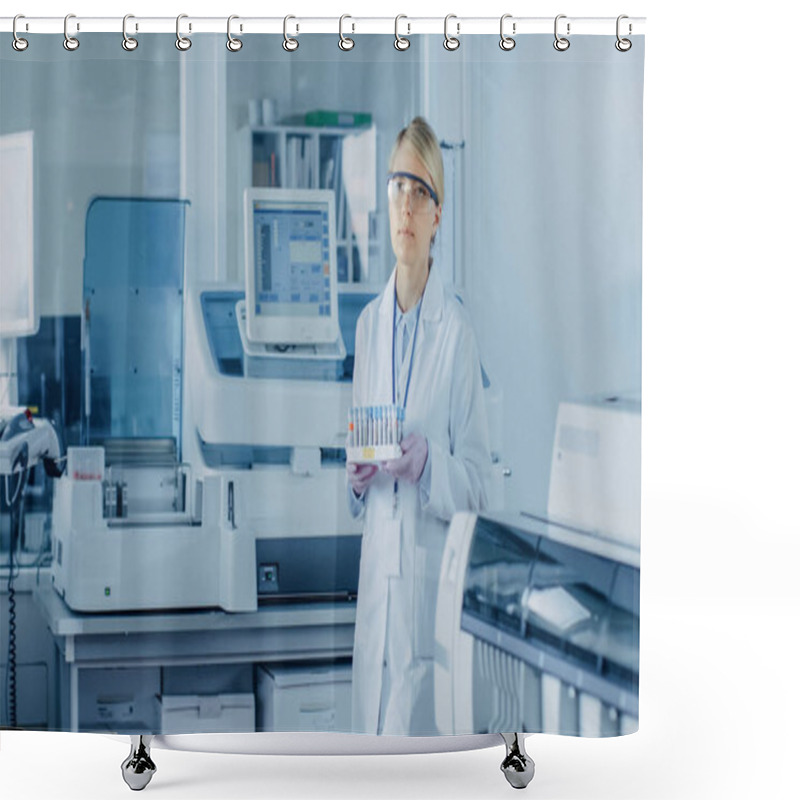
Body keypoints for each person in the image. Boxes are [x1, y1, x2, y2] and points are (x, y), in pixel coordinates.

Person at [346, 117, 492, 735]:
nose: (406, 203)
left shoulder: (456, 335)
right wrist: (354, 479)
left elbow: (483, 487)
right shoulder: (367, 328)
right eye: (397, 186)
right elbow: (361, 490)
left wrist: (429, 461)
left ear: (438, 216)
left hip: (427, 603)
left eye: (421, 190)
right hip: (375, 604)